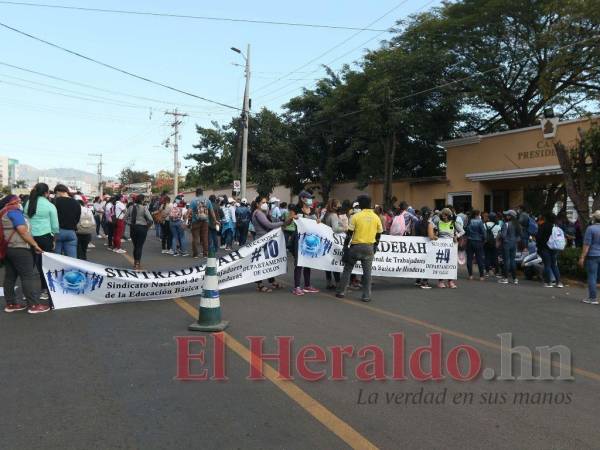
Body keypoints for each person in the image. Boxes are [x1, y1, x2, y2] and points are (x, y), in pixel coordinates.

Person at [1, 195, 48, 314]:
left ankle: (11, 303)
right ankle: (34, 305)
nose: (20, 203)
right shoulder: (14, 212)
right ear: (13, 202)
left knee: (10, 277)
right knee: (28, 276)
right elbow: (22, 230)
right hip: (20, 248)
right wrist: (34, 244)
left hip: (7, 248)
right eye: (19, 201)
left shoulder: (3, 213)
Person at [336, 194, 382, 302]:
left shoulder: (356, 216)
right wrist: (375, 245)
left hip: (355, 247)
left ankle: (341, 291)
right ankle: (366, 296)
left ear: (361, 204)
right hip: (369, 248)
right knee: (367, 273)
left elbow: (349, 234)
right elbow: (379, 233)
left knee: (347, 269)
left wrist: (345, 247)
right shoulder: (376, 217)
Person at [25, 183, 59, 302]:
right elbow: (55, 226)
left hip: (30, 237)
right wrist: (54, 239)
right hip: (45, 237)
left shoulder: (28, 203)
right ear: (46, 193)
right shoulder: (49, 205)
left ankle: (27, 291)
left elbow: (26, 220)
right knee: (45, 265)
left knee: (29, 265)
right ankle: (45, 290)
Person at [289, 190, 320, 296]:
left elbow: (317, 224)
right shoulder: (295, 209)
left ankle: (307, 285)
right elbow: (287, 222)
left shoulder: (313, 211)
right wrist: (292, 218)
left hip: (310, 240)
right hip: (298, 240)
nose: (311, 200)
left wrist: (319, 222)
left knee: (308, 262)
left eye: (311, 198)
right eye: (309, 198)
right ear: (302, 199)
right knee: (299, 263)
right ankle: (296, 287)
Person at [251, 196, 283, 292]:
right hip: (261, 240)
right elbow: (269, 225)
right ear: (257, 204)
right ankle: (259, 285)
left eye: (266, 202)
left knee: (267, 262)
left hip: (265, 239)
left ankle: (272, 281)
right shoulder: (258, 213)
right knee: (260, 263)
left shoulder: (262, 213)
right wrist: (282, 223)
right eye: (263, 202)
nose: (265, 204)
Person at [428, 207, 463, 289]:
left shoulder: (453, 223)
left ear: (449, 215)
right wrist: (435, 235)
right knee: (441, 263)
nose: (444, 216)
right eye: (443, 215)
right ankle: (441, 281)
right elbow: (431, 226)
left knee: (450, 264)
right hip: (440, 246)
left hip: (451, 247)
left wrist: (456, 236)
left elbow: (462, 231)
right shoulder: (438, 222)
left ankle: (450, 281)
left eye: (446, 215)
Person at [323, 199, 346, 290]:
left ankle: (329, 282)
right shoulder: (333, 215)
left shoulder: (327, 215)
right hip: (333, 241)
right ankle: (337, 283)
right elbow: (335, 228)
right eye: (338, 204)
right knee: (334, 262)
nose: (340, 205)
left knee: (328, 262)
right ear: (334, 206)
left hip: (327, 240)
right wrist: (345, 228)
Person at [536, 212, 564, 288]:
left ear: (546, 218)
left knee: (547, 265)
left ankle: (548, 282)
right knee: (554, 265)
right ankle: (558, 282)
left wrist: (539, 247)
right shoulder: (556, 226)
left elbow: (539, 237)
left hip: (545, 248)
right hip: (554, 248)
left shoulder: (543, 226)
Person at [53, 184, 81, 258]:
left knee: (56, 259)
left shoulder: (55, 202)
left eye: (55, 194)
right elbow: (77, 218)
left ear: (58, 192)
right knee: (72, 260)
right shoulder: (76, 203)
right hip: (71, 232)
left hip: (58, 232)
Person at [127, 194, 153, 270]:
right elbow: (150, 219)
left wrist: (130, 223)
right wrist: (147, 227)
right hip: (142, 228)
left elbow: (125, 218)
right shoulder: (144, 208)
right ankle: (137, 263)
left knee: (135, 246)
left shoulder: (130, 207)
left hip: (133, 228)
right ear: (142, 200)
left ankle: (136, 262)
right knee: (139, 246)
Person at [579, 211, 600, 304]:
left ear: (594, 218)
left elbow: (587, 244)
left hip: (593, 255)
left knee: (592, 276)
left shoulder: (590, 229)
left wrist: (582, 257)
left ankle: (592, 298)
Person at [498, 210, 521, 285]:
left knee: (506, 261)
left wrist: (500, 234)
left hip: (506, 244)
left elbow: (503, 235)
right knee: (512, 260)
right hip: (514, 244)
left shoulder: (506, 224)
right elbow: (519, 237)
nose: (506, 216)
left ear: (511, 216)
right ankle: (515, 278)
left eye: (507, 215)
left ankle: (505, 278)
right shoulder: (518, 225)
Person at [466, 209, 487, 281]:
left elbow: (466, 230)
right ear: (478, 215)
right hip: (478, 241)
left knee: (469, 258)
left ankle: (470, 275)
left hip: (470, 241)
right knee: (479, 259)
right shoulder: (480, 222)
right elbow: (484, 232)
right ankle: (481, 276)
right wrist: (484, 239)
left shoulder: (469, 221)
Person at [414, 207, 432, 289]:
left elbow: (413, 233)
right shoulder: (429, 224)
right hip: (426, 246)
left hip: (417, 245)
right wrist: (436, 237)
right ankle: (425, 282)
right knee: (426, 263)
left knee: (419, 262)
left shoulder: (416, 223)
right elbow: (431, 236)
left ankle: (418, 280)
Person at [189, 188, 210, 259]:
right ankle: (205, 254)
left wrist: (185, 220)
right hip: (205, 221)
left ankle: (195, 254)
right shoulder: (207, 200)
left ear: (196, 193)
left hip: (196, 221)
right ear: (202, 193)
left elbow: (189, 211)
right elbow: (212, 211)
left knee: (195, 238)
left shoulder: (193, 201)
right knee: (205, 237)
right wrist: (215, 220)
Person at [75, 195, 95, 260]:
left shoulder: (75, 209)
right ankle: (84, 259)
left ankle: (79, 261)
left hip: (77, 231)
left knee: (78, 249)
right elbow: (93, 222)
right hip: (87, 232)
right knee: (84, 248)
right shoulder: (88, 210)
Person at [483, 212, 501, 276]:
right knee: (495, 257)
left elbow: (483, 233)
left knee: (487, 256)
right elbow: (499, 235)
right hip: (494, 242)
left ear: (489, 218)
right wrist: (497, 242)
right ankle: (496, 272)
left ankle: (487, 272)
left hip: (486, 242)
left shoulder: (484, 224)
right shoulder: (497, 225)